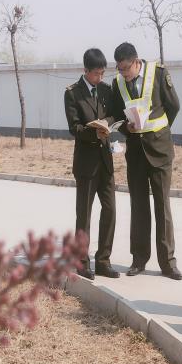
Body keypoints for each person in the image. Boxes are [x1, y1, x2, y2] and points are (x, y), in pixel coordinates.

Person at [111, 42, 182, 280]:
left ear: (136, 61)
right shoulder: (117, 83)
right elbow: (116, 115)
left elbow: (174, 106)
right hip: (136, 154)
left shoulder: (159, 74)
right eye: (119, 69)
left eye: (126, 68)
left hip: (160, 151)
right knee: (139, 207)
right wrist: (127, 128)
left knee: (162, 207)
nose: (123, 73)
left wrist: (159, 132)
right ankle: (138, 260)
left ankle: (168, 263)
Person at [64, 48, 119, 280]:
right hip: (86, 163)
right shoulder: (72, 93)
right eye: (96, 73)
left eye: (102, 73)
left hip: (105, 160)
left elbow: (115, 114)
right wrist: (93, 132)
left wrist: (106, 123)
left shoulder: (106, 90)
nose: (100, 77)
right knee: (84, 215)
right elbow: (74, 127)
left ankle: (103, 260)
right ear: (85, 70)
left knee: (110, 210)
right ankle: (81, 262)